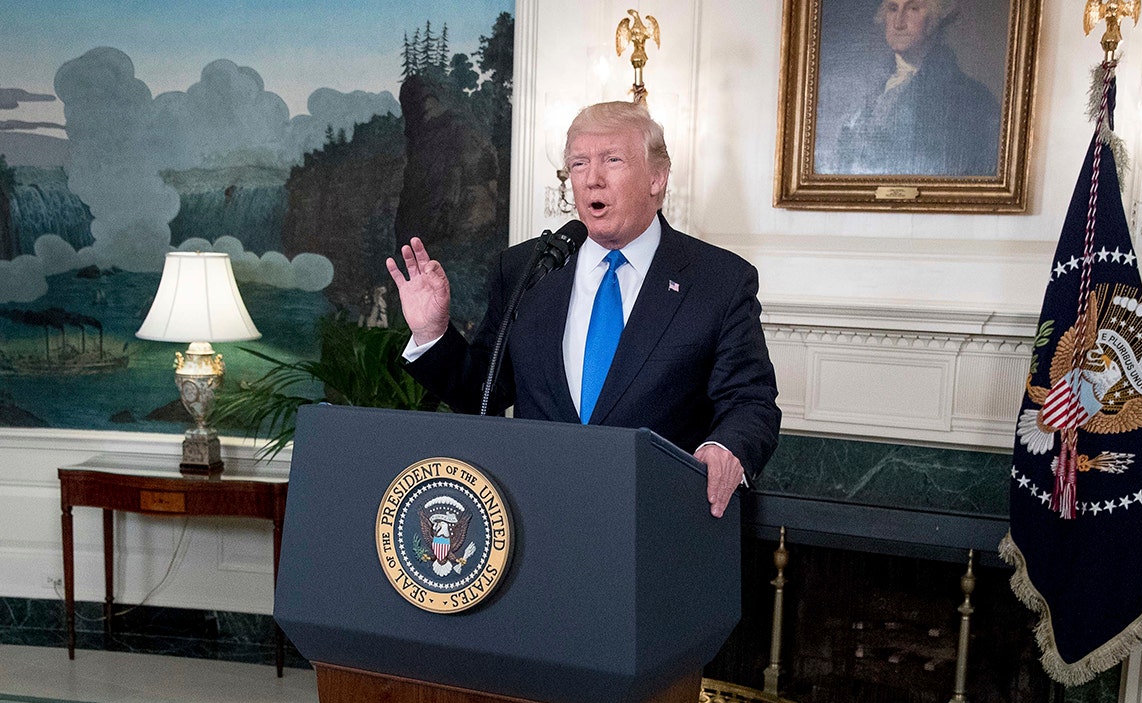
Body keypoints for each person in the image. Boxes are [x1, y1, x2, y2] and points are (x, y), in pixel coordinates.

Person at [385, 101, 781, 518]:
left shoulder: (718, 280)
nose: (593, 179)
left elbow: (750, 401)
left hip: (656, 518)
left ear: (656, 178)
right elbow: (485, 392)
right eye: (578, 163)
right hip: (534, 517)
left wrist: (724, 450)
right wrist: (432, 333)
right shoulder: (528, 268)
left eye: (612, 160)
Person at [824, 0, 1001, 177]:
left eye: (913, 8)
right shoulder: (869, 88)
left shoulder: (971, 98)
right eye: (893, 9)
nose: (898, 23)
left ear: (934, 19)